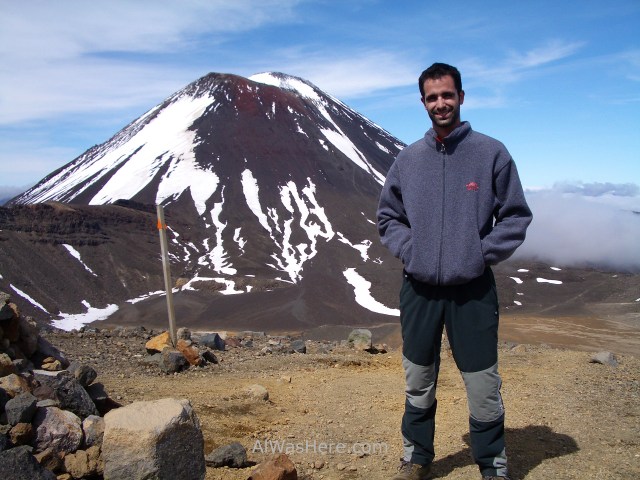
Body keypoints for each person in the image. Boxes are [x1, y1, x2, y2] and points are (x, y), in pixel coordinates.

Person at [377, 62, 532, 480]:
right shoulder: (408, 160)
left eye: (447, 95)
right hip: (420, 289)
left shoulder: (491, 153)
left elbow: (515, 216)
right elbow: (388, 217)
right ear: (423, 103)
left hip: (473, 289)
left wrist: (478, 255)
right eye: (432, 97)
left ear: (461, 97)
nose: (440, 103)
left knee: (483, 384)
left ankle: (492, 463)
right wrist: (413, 252)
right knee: (419, 379)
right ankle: (416, 457)